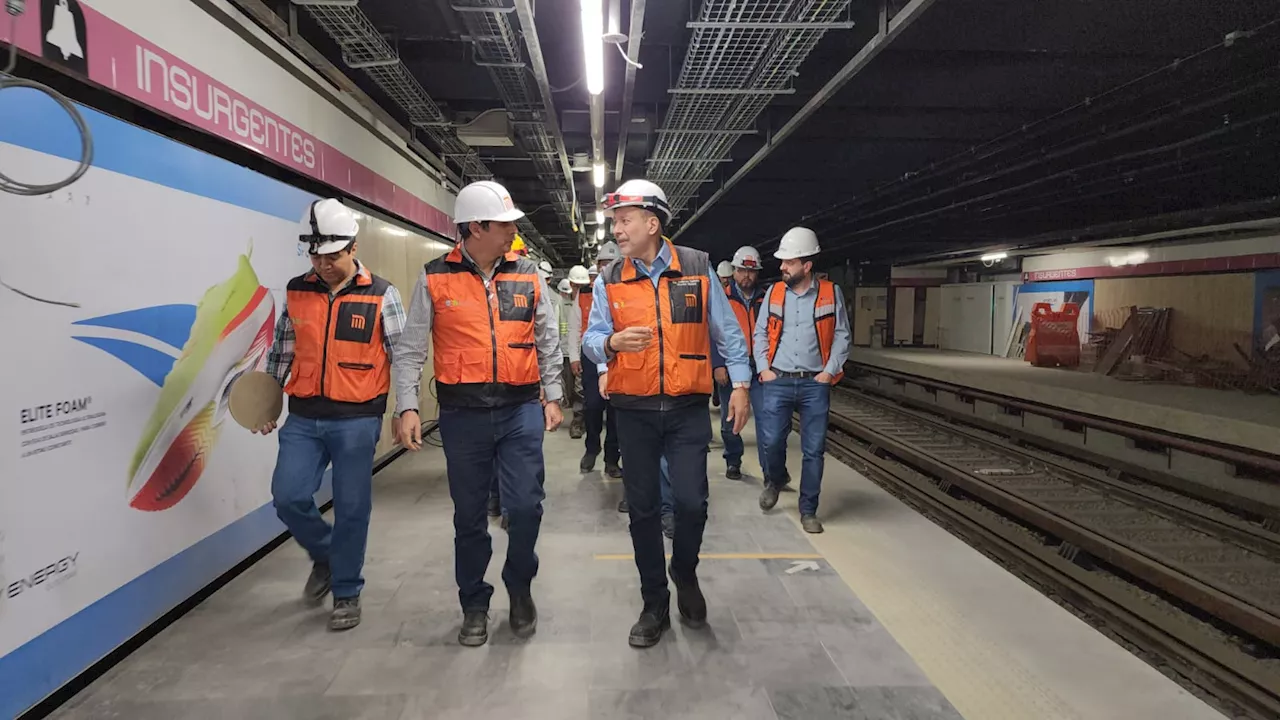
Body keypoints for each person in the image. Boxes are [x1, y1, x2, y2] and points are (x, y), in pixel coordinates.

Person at [392, 180, 565, 647]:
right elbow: (409, 350)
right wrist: (407, 405)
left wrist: (553, 394)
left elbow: (546, 337)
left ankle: (520, 585)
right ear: (475, 227)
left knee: (526, 506)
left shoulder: (528, 273)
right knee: (468, 516)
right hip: (463, 416)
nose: (512, 231)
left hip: (520, 409)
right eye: (504, 225)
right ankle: (474, 602)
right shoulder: (434, 277)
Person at [583, 178, 751, 648]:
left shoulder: (696, 268)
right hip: (633, 411)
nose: (616, 230)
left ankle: (685, 570)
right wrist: (610, 343)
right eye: (615, 221)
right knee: (642, 512)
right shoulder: (610, 278)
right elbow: (591, 339)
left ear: (652, 223)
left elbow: (729, 335)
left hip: (685, 410)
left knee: (691, 502)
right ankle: (653, 601)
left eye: (624, 220)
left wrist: (740, 385)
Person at [257, 198, 405, 632]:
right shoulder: (297, 290)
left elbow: (404, 355)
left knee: (353, 506)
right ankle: (326, 554)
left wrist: (405, 409)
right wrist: (266, 401)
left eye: (332, 255)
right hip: (303, 416)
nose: (323, 264)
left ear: (353, 248)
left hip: (357, 419)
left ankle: (346, 591)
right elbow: (282, 349)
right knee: (288, 496)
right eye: (316, 255)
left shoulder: (382, 293)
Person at [753, 227, 851, 534]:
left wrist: (828, 371)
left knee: (813, 450)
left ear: (807, 265)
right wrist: (764, 368)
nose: (782, 266)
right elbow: (759, 334)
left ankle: (808, 510)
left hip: (814, 384)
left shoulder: (830, 293)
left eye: (789, 262)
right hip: (778, 379)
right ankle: (775, 479)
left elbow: (842, 335)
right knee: (770, 441)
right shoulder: (774, 292)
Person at [568, 251, 622, 483]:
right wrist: (573, 357)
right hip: (591, 356)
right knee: (592, 407)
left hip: (619, 357)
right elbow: (574, 327)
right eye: (602, 264)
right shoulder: (584, 294)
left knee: (616, 411)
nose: (604, 268)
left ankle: (612, 458)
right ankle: (592, 449)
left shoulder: (625, 288)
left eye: (609, 264)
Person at [713, 246, 767, 480]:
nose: (747, 276)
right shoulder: (721, 297)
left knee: (767, 420)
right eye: (742, 270)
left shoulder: (766, 298)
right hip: (730, 367)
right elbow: (712, 333)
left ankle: (771, 472)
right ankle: (733, 460)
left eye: (751, 272)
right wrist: (718, 364)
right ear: (734, 271)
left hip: (759, 366)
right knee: (730, 419)